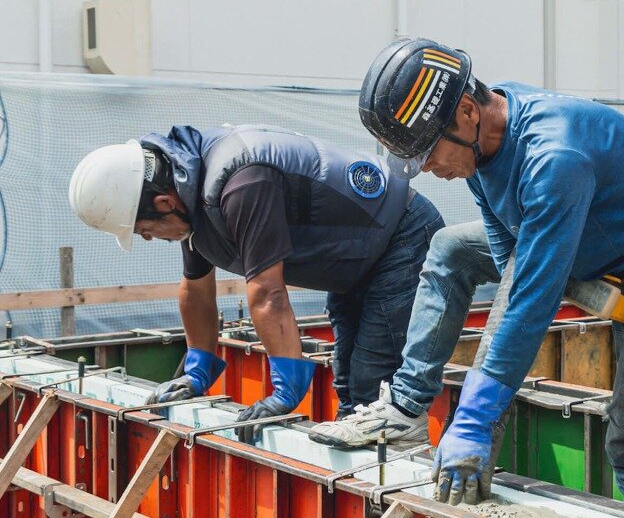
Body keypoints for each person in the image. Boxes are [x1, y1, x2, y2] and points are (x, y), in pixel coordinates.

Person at [306, 38, 624, 512]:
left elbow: (529, 304)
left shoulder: (554, 157)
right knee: (450, 248)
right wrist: (492, 378)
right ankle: (406, 407)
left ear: (465, 112)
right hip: (578, 239)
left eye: (428, 153)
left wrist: (476, 416)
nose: (431, 169)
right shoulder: (482, 141)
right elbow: (508, 255)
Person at [69, 124, 443, 441]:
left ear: (165, 203)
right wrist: (196, 370)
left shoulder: (242, 182)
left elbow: (267, 292)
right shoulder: (192, 194)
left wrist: (287, 390)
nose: (150, 238)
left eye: (145, 229)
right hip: (358, 255)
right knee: (348, 383)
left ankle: (403, 468)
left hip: (401, 235)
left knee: (373, 381)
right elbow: (196, 289)